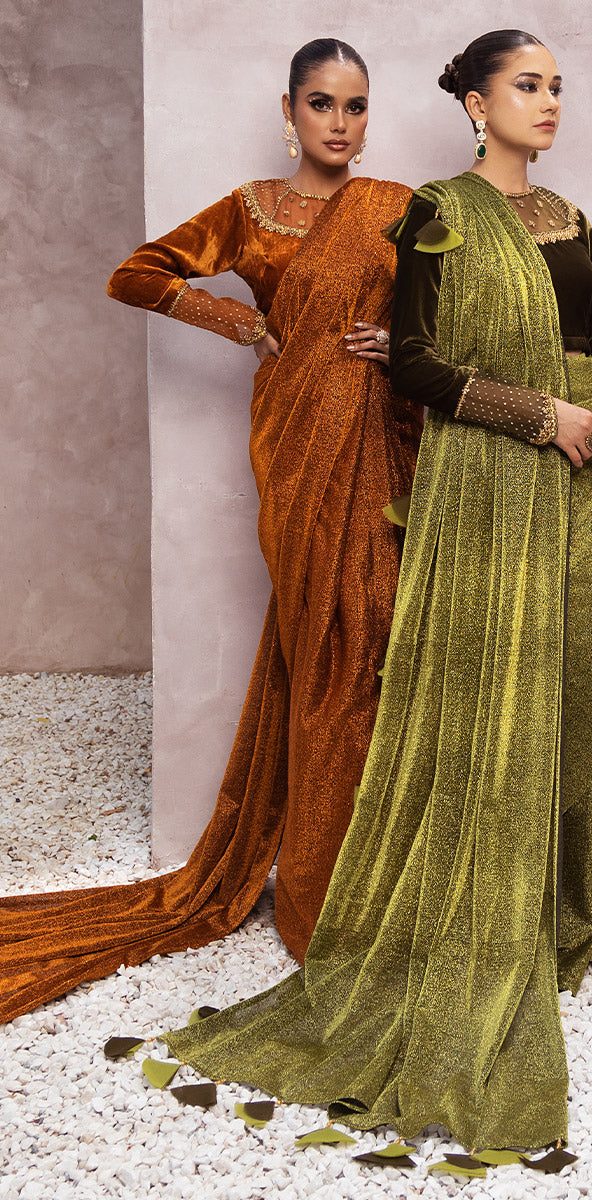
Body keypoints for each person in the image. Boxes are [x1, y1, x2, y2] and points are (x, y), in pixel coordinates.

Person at [162, 30, 592, 1154]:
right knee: (461, 686)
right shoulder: (434, 212)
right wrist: (542, 415)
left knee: (580, 687)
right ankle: (458, 911)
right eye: (526, 85)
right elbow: (420, 365)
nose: (548, 102)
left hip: (587, 486)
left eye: (556, 86)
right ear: (475, 102)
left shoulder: (569, 216)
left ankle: (566, 902)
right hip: (484, 479)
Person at [0, 39, 422, 1022]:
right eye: (321, 104)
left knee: (374, 637)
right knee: (323, 642)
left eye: (355, 106)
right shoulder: (251, 210)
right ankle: (320, 895)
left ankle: (371, 874)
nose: (339, 124)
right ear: (289, 112)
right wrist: (237, 322)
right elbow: (137, 273)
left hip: (380, 441)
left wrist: (402, 345)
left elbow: (451, 318)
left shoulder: (399, 208)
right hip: (294, 443)